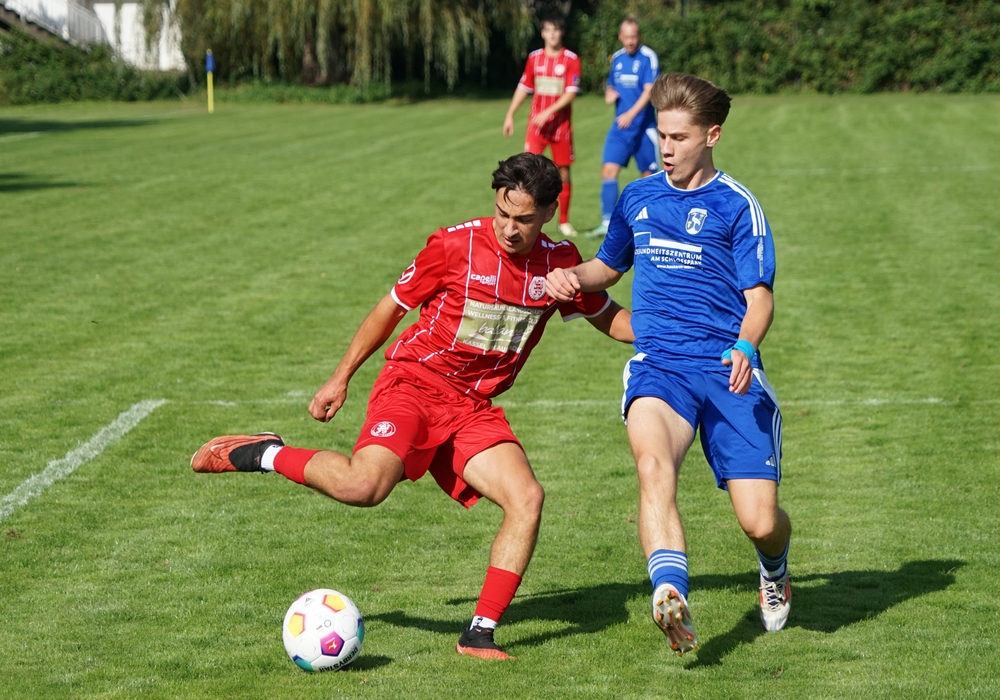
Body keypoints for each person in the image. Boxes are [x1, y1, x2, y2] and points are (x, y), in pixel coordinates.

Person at [191, 153, 633, 661]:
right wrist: (340, 377)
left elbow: (609, 318)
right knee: (363, 487)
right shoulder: (454, 245)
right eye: (502, 213)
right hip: (415, 385)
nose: (510, 228)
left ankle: (479, 634)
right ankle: (264, 453)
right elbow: (390, 308)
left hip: (471, 406)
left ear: (550, 212)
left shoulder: (561, 263)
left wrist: (677, 334)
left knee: (526, 497)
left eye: (524, 219)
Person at [546, 73, 792, 656]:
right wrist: (572, 276)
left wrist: (746, 346)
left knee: (759, 522)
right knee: (653, 465)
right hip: (661, 366)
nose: (667, 147)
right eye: (662, 135)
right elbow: (608, 267)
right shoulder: (638, 197)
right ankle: (669, 590)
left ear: (712, 135)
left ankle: (775, 568)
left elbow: (759, 299)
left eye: (679, 137)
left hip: (729, 369)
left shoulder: (738, 206)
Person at [503, 16, 581, 238]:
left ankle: (563, 221)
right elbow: (524, 87)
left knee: (563, 172)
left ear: (561, 33)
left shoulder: (571, 59)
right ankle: (527, 216)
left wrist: (549, 111)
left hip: (560, 127)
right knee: (528, 170)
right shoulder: (534, 58)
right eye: (548, 30)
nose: (552, 34)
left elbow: (571, 92)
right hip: (537, 128)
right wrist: (510, 114)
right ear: (543, 33)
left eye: (556, 30)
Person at [587, 16, 660, 238]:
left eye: (634, 37)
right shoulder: (617, 58)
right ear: (620, 36)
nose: (630, 41)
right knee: (608, 170)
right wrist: (609, 93)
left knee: (649, 176)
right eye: (627, 37)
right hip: (620, 128)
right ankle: (607, 223)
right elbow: (611, 84)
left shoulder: (648, 57)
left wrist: (631, 114)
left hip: (644, 127)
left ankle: (651, 224)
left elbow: (650, 91)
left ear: (639, 36)